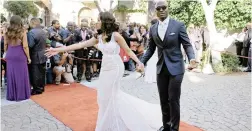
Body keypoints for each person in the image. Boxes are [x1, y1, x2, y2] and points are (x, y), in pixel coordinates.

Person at [46, 11, 165, 131]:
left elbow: (128, 51)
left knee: (112, 94)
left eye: (98, 20)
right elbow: (80, 45)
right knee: (103, 96)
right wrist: (59, 49)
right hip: (105, 67)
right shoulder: (98, 37)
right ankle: (110, 119)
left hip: (115, 67)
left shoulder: (116, 36)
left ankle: (118, 123)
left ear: (104, 22)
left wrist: (139, 62)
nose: (96, 22)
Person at [141, 1, 196, 131]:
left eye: (164, 7)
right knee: (163, 99)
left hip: (176, 68)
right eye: (158, 8)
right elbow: (150, 49)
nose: (161, 10)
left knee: (173, 99)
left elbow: (187, 45)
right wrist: (142, 62)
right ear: (156, 11)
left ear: (168, 8)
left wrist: (192, 58)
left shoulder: (178, 25)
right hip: (161, 68)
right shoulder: (153, 28)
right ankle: (166, 126)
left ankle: (174, 128)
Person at [4, 15, 31, 101]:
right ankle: (22, 94)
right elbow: (25, 46)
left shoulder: (7, 32)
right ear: (20, 22)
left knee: (11, 74)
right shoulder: (22, 32)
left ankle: (12, 95)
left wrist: (6, 52)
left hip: (10, 54)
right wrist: (29, 57)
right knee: (21, 74)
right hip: (20, 54)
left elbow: (5, 45)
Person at [28, 18, 47, 95]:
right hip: (43, 54)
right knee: (42, 72)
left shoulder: (31, 32)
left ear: (33, 23)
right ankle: (41, 87)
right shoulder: (43, 31)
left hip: (35, 55)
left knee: (35, 72)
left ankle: (37, 89)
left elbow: (30, 45)